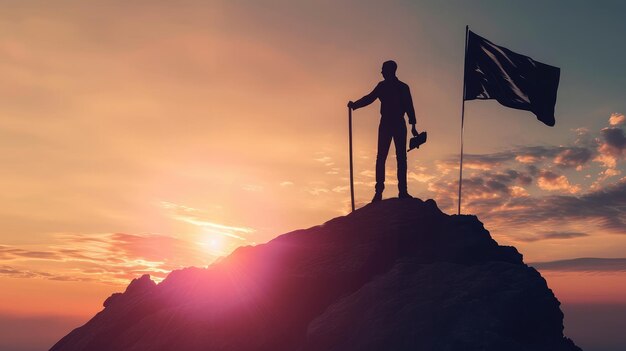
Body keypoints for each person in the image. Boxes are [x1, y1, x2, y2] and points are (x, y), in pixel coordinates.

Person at [348, 60, 418, 203]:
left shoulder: (403, 87)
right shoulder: (382, 86)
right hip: (386, 123)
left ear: (390, 70)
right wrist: (355, 105)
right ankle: (378, 192)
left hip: (398, 123)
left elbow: (409, 106)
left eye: (383, 70)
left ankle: (403, 191)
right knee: (381, 157)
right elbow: (369, 98)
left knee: (401, 158)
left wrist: (413, 125)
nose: (381, 72)